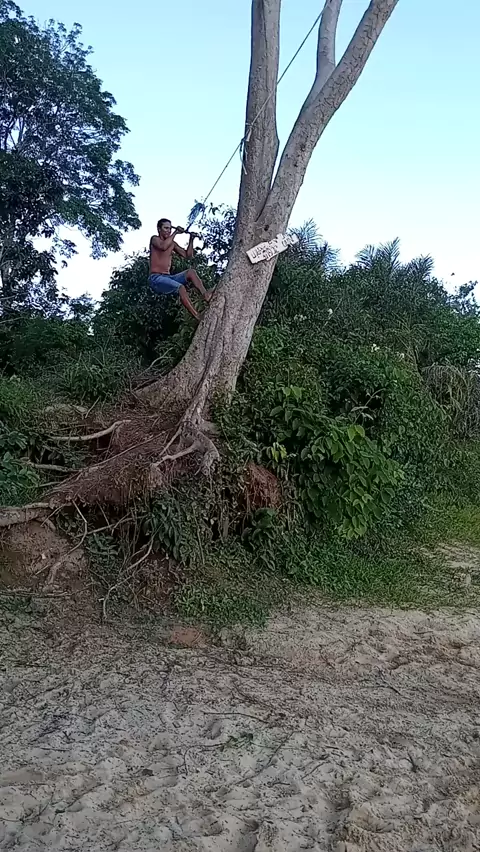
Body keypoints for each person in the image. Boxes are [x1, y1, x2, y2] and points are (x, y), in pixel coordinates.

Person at [149, 218, 211, 320]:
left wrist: (191, 239)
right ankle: (197, 316)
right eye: (166, 228)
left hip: (168, 277)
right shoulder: (154, 239)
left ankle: (205, 295)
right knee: (180, 287)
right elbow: (163, 246)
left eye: (170, 228)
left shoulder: (172, 244)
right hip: (156, 278)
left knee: (191, 272)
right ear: (159, 229)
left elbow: (188, 256)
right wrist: (175, 233)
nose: (169, 231)